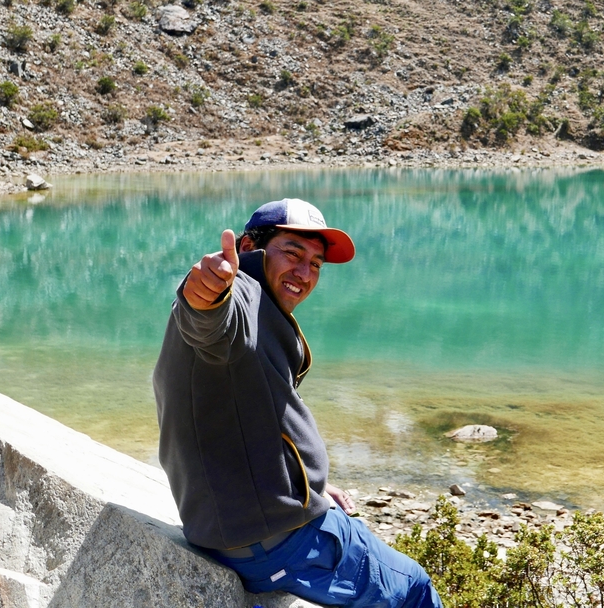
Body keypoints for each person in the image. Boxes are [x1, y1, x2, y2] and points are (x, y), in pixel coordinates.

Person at [153, 198, 443, 608]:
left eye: (316, 264)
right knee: (414, 587)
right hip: (277, 543)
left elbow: (254, 416)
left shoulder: (262, 306)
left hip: (232, 525)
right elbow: (210, 323)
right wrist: (205, 294)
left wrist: (307, 482)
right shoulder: (242, 297)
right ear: (251, 247)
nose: (304, 274)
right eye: (292, 253)